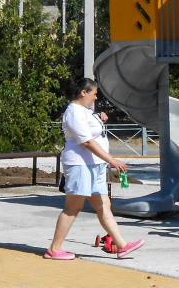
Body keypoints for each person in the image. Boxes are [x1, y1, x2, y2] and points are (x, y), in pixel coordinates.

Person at [45, 78, 144, 260]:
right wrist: (112, 160)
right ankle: (54, 249)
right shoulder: (74, 111)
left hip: (94, 165)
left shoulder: (85, 111)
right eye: (94, 94)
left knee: (104, 205)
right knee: (73, 206)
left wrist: (99, 118)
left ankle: (122, 245)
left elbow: (92, 133)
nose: (95, 98)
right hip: (80, 164)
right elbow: (86, 141)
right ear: (84, 92)